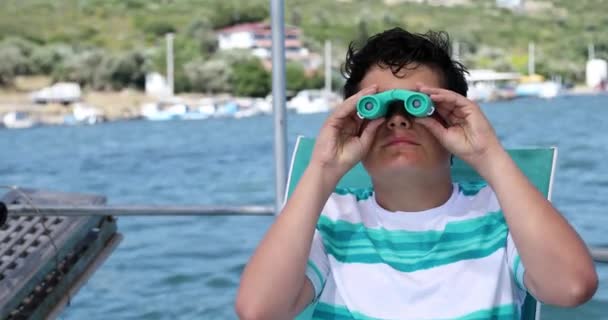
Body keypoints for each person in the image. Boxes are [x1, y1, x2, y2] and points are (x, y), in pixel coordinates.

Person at [235, 28, 598, 320]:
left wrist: (488, 154)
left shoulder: (502, 215)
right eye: (376, 108)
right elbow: (260, 310)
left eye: (419, 105)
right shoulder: (333, 217)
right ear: (355, 122)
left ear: (453, 118)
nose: (397, 118)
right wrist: (323, 168)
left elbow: (569, 289)